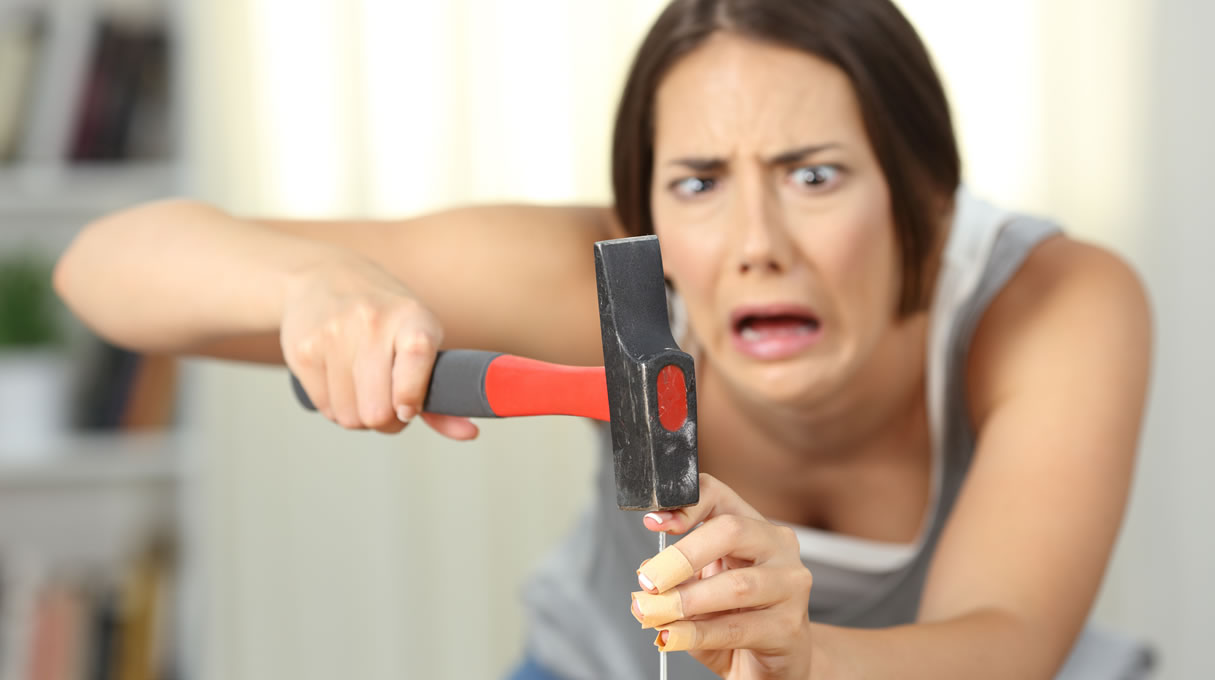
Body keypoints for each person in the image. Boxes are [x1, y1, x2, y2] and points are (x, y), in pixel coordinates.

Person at [53, 0, 1152, 678]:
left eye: (814, 174)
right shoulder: (593, 276)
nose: (756, 243)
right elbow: (102, 265)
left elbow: (1005, 639)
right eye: (698, 183)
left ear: (928, 194)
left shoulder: (1053, 305)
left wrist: (803, 656)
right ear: (644, 208)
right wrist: (311, 281)